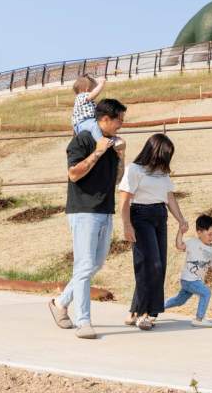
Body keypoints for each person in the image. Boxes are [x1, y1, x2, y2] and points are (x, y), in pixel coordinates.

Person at [48, 98, 127, 339]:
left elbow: (117, 179)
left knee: (96, 264)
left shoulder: (113, 144)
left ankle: (60, 302)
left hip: (105, 209)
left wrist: (121, 155)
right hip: (83, 210)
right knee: (83, 266)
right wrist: (97, 152)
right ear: (105, 119)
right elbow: (73, 174)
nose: (121, 125)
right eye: (119, 120)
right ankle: (84, 321)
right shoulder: (82, 139)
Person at [119, 134, 188, 331]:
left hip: (160, 215)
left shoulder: (163, 173)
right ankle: (143, 313)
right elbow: (124, 200)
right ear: (155, 152)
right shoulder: (135, 170)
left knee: (159, 264)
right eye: (166, 155)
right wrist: (127, 225)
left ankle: (136, 310)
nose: (167, 160)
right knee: (150, 264)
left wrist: (181, 219)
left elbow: (170, 198)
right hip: (140, 216)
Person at [164, 213, 212, 328]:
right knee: (206, 292)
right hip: (188, 280)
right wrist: (181, 232)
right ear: (199, 232)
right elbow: (179, 246)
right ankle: (199, 319)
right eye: (209, 234)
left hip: (195, 281)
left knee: (179, 301)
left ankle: (155, 307)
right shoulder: (193, 243)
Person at [71, 75, 106, 141]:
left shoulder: (82, 99)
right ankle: (102, 142)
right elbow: (92, 95)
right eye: (93, 89)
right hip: (84, 122)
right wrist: (101, 84)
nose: (94, 91)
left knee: (98, 125)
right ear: (87, 89)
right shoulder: (82, 96)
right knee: (94, 126)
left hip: (87, 122)